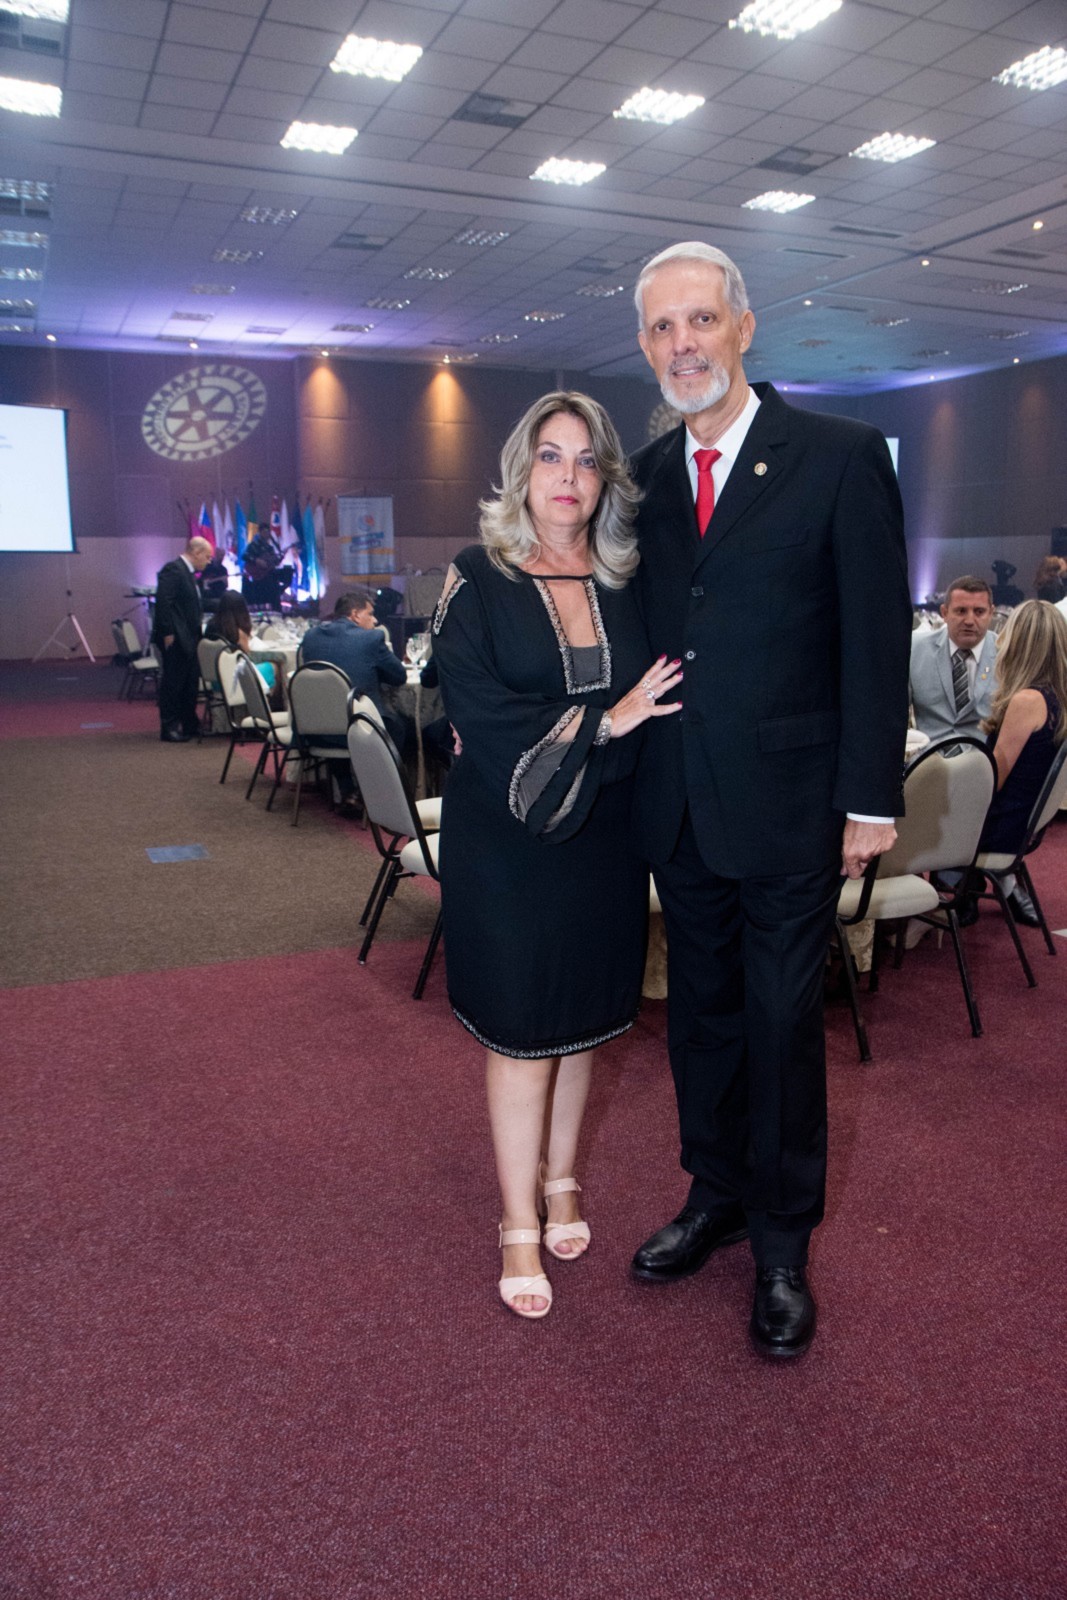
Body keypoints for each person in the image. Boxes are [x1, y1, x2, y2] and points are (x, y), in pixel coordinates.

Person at [627, 242, 911, 1359]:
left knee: (782, 1024)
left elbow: (872, 638)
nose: (682, 344)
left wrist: (870, 796)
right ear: (644, 344)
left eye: (699, 320)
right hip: (679, 802)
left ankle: (783, 1244)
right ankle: (716, 1194)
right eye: (661, 327)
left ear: (743, 328)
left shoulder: (838, 456)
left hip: (794, 805)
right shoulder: (646, 478)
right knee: (697, 1016)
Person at [431, 392, 682, 1321]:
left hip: (604, 837)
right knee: (521, 1029)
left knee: (582, 1023)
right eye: (549, 455)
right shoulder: (477, 575)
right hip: (507, 843)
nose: (566, 476)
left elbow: (670, 690)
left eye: (584, 459)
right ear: (520, 471)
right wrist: (605, 723)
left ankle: (563, 1178)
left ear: (605, 478)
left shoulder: (627, 579)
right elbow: (473, 704)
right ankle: (516, 1221)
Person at [972, 599, 1067, 925]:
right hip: (1025, 821)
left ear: (1018, 644)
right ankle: (982, 888)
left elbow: (992, 780)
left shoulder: (1027, 701)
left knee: (908, 811)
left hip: (1002, 828)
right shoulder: (1057, 697)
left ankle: (914, 913)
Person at [301, 589, 409, 757]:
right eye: (370, 614)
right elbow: (399, 676)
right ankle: (384, 774)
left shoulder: (310, 637)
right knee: (402, 726)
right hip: (362, 730)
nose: (375, 620)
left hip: (315, 733)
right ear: (356, 615)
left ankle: (341, 774)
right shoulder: (371, 639)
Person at [910, 576, 997, 741]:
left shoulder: (1007, 654)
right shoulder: (915, 649)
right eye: (961, 611)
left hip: (983, 754)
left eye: (979, 612)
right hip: (929, 754)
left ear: (991, 613)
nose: (969, 621)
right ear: (944, 613)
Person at [151, 535, 211, 742]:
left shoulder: (188, 573)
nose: (208, 561)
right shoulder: (174, 569)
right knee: (174, 683)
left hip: (190, 637)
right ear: (196, 552)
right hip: (176, 637)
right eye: (207, 556)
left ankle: (189, 723)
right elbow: (163, 602)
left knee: (190, 683)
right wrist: (167, 632)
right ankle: (169, 727)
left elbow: (193, 604)